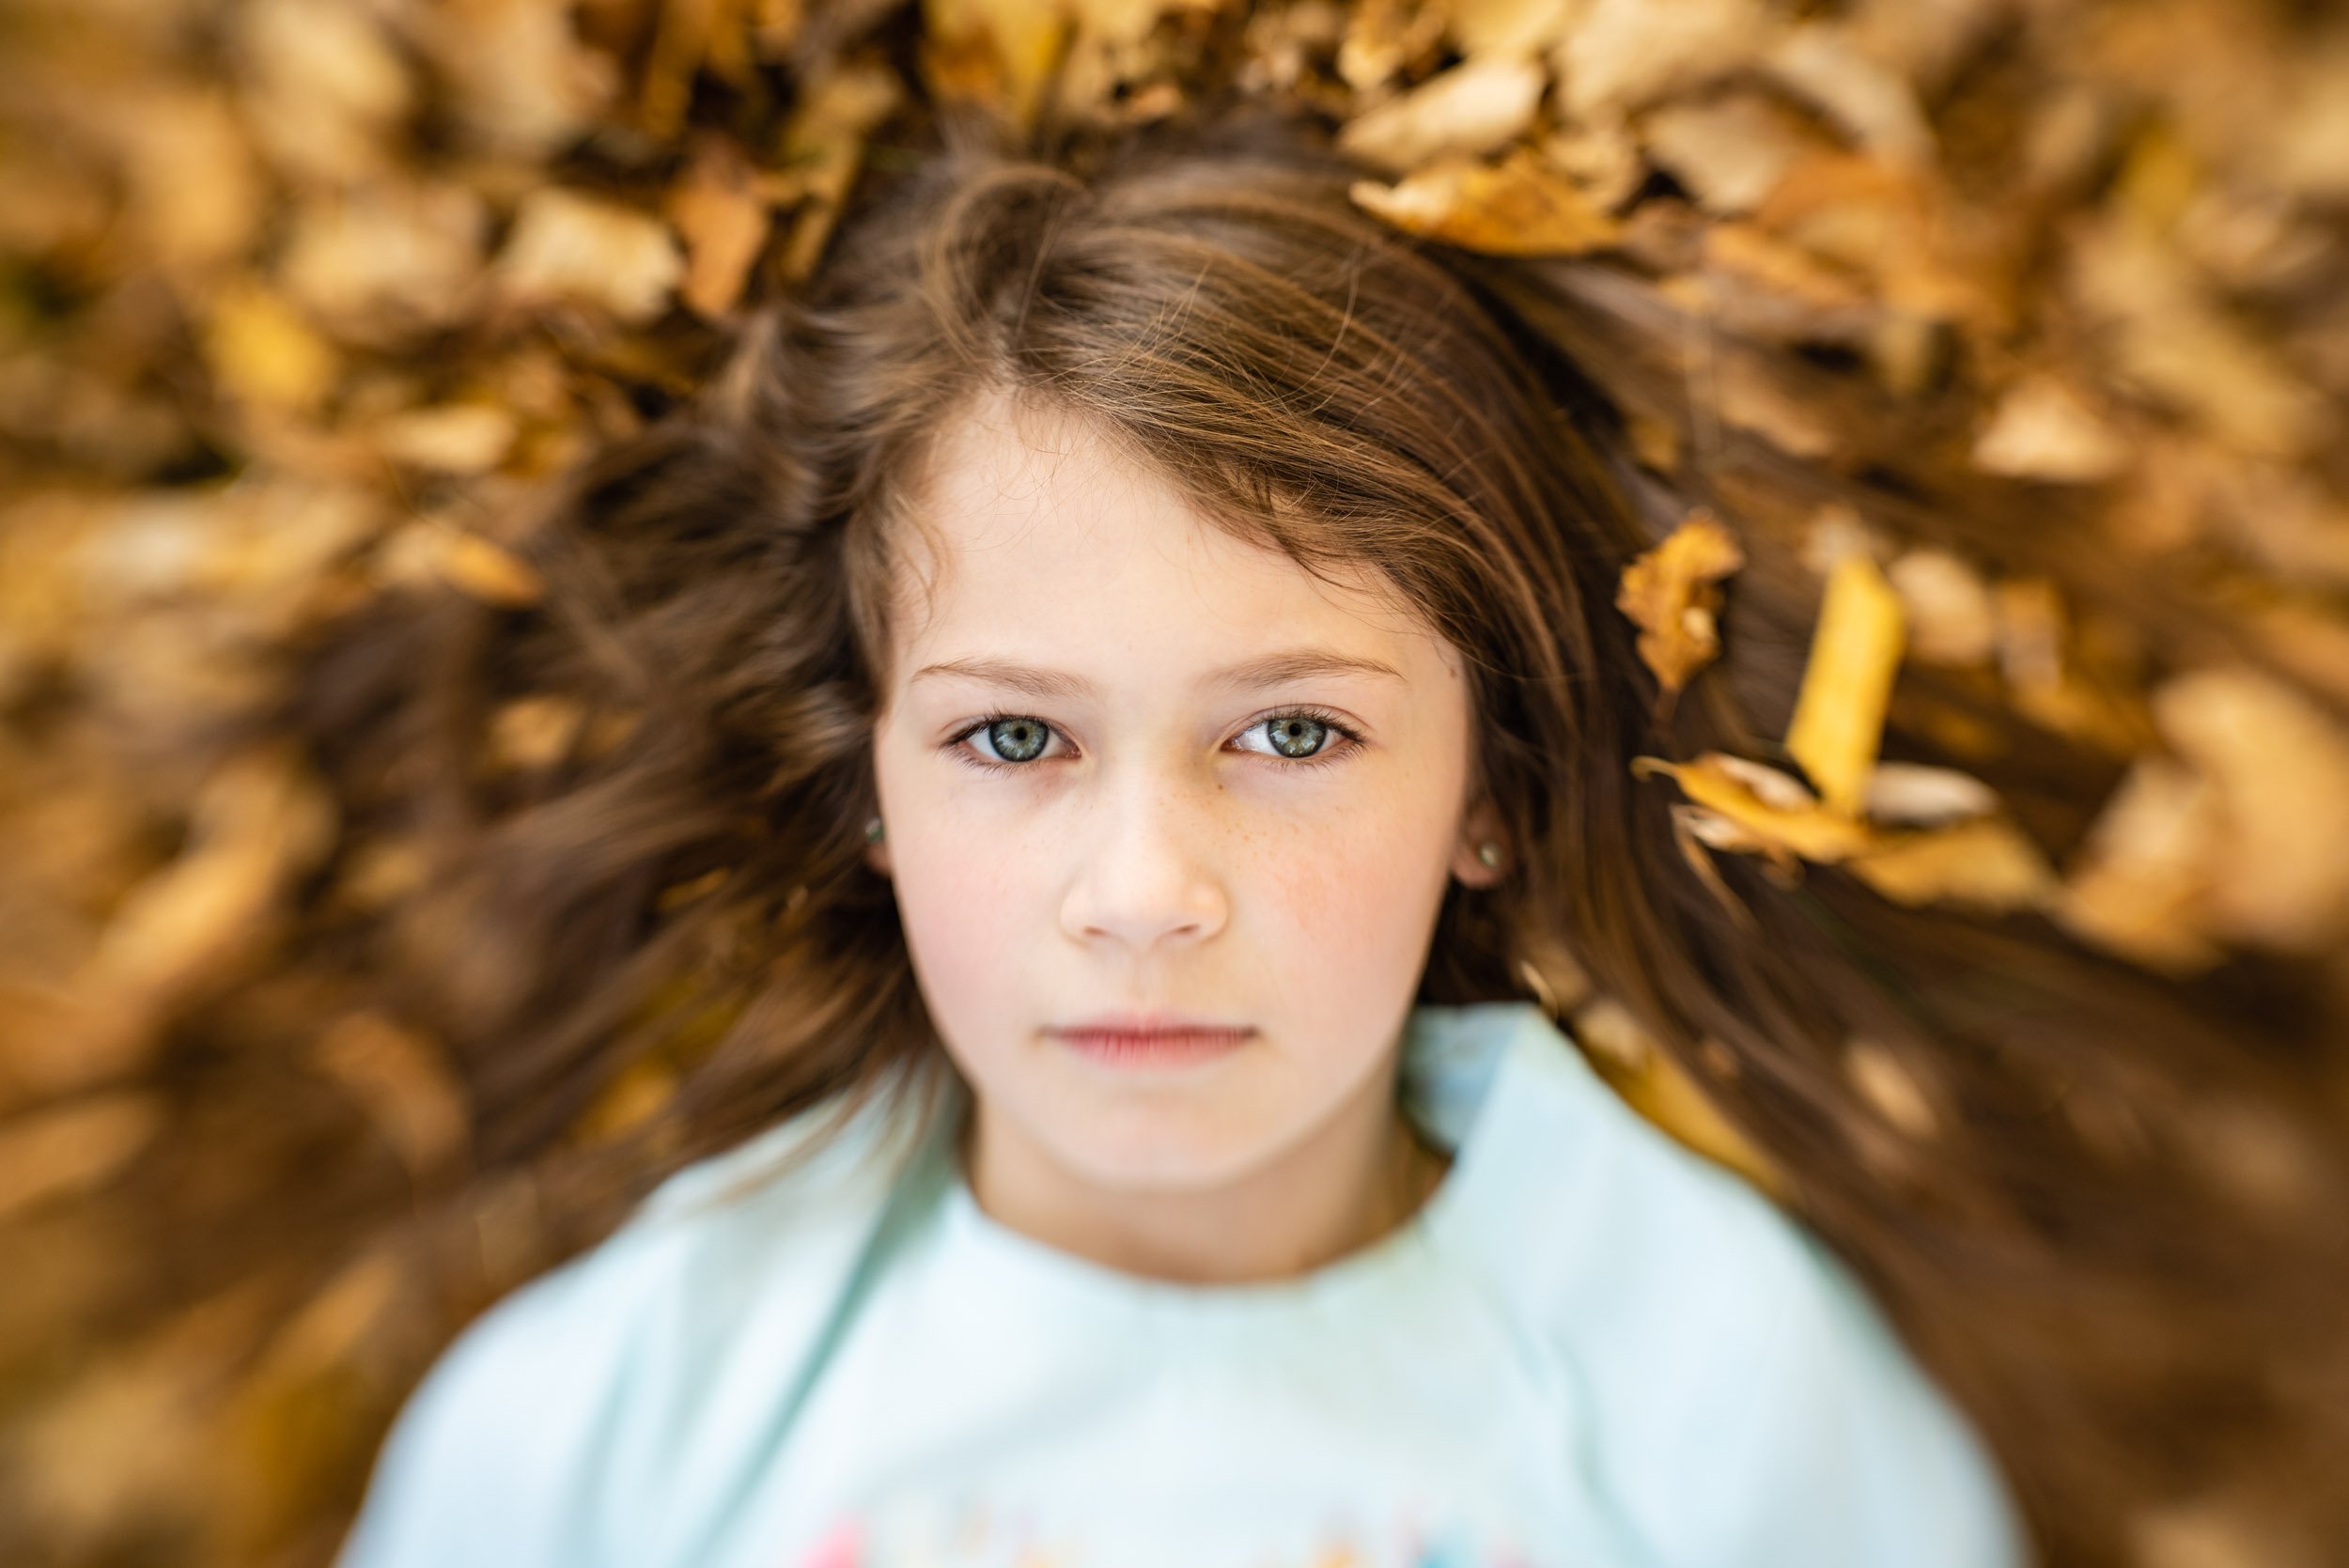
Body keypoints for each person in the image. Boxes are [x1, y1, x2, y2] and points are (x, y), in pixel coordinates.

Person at [330, 99, 2036, 1568]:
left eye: (1292, 731)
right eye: (1013, 735)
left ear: (1490, 790)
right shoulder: (613, 1416)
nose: (1143, 894)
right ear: (865, 785)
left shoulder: (1726, 1394)